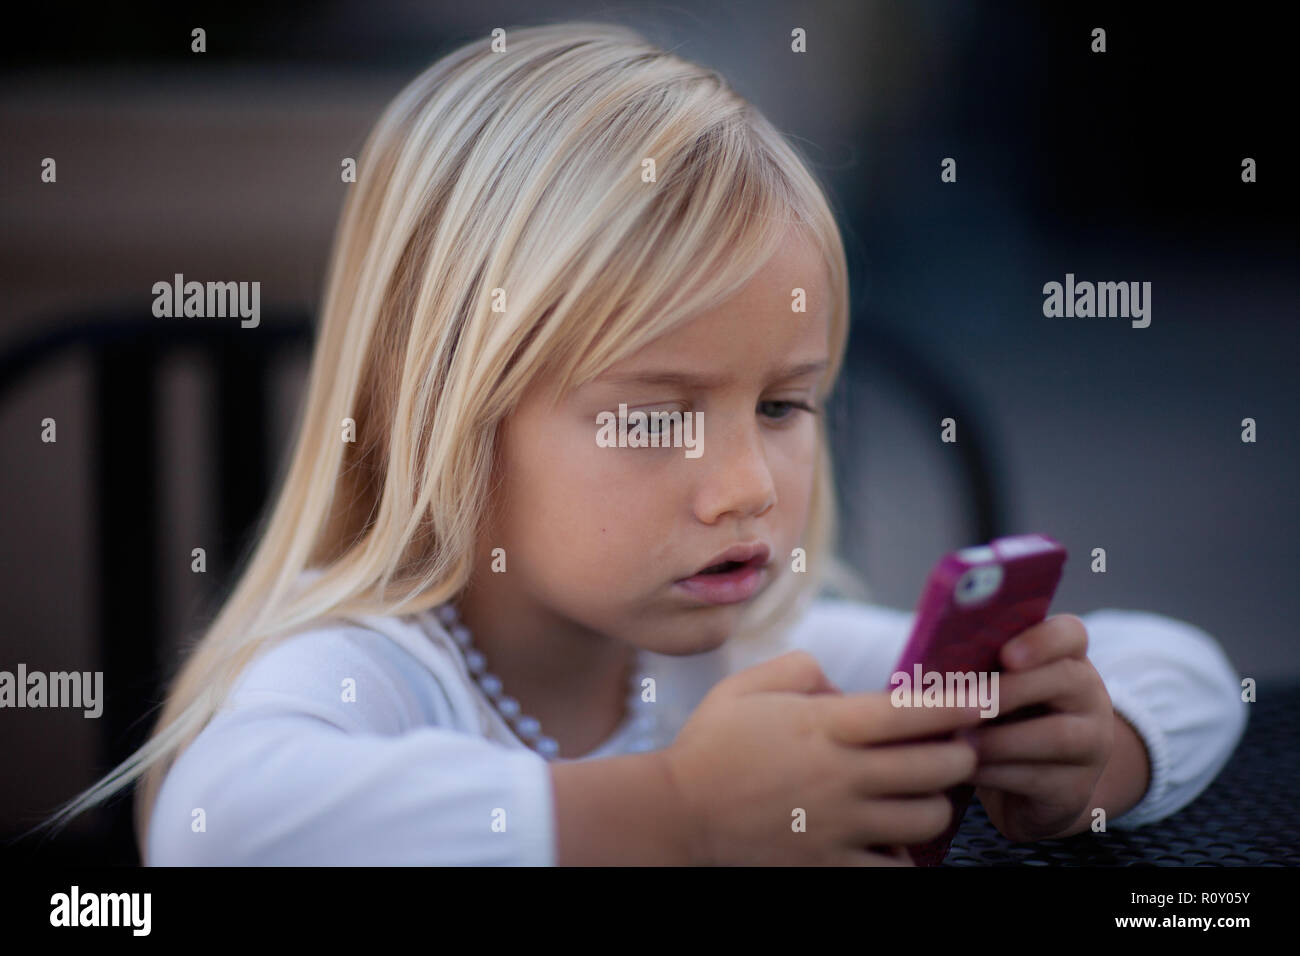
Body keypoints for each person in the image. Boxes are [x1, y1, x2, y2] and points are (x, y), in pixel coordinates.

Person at [35, 22, 1246, 866]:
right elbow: (216, 829)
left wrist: (1101, 752)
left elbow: (1184, 663)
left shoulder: (755, 651)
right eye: (654, 415)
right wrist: (673, 814)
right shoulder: (376, 669)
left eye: (783, 405)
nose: (743, 486)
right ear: (447, 416)